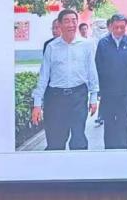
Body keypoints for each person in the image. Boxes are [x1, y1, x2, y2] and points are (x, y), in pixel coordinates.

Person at [31, 9, 99, 150]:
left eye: (74, 21)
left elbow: (92, 72)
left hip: (78, 97)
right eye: (67, 21)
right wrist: (37, 104)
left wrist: (93, 97)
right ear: (60, 25)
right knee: (56, 142)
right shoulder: (52, 47)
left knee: (78, 140)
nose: (71, 24)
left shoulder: (86, 45)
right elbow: (44, 76)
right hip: (56, 98)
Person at [94, 13, 127, 149]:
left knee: (123, 124)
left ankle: (124, 150)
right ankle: (109, 151)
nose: (119, 30)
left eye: (122, 27)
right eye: (116, 27)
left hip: (125, 93)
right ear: (111, 27)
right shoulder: (103, 43)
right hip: (108, 93)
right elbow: (98, 67)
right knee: (109, 125)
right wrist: (98, 91)